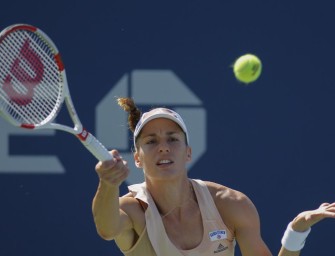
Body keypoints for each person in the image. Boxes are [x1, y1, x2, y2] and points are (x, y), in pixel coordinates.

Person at [92, 97, 335, 256]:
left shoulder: (230, 204)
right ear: (137, 158)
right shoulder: (132, 211)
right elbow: (107, 228)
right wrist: (108, 183)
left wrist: (297, 230)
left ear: (188, 153)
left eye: (172, 139)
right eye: (151, 141)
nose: (163, 147)